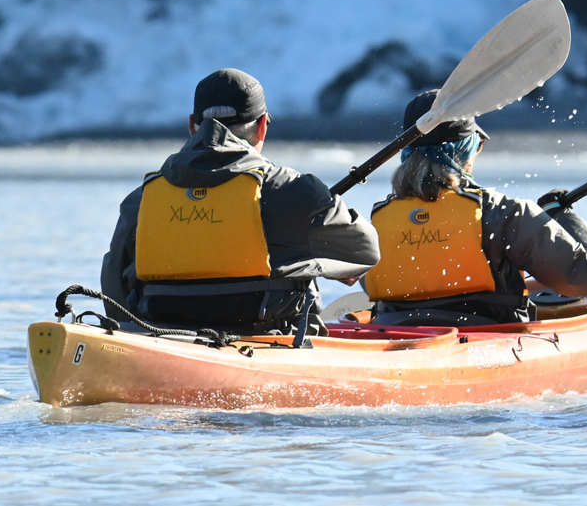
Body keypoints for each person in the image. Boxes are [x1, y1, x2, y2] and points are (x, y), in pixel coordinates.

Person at [100, 69, 380, 334]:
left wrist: (131, 340)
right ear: (261, 127)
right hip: (267, 337)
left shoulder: (143, 197)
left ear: (191, 126)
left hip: (164, 336)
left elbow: (114, 283)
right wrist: (313, 261)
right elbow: (365, 251)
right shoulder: (294, 190)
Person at [363, 89, 587, 326]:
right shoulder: (503, 214)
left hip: (393, 335)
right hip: (487, 338)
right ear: (464, 151)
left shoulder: (375, 224)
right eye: (477, 145)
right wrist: (560, 213)